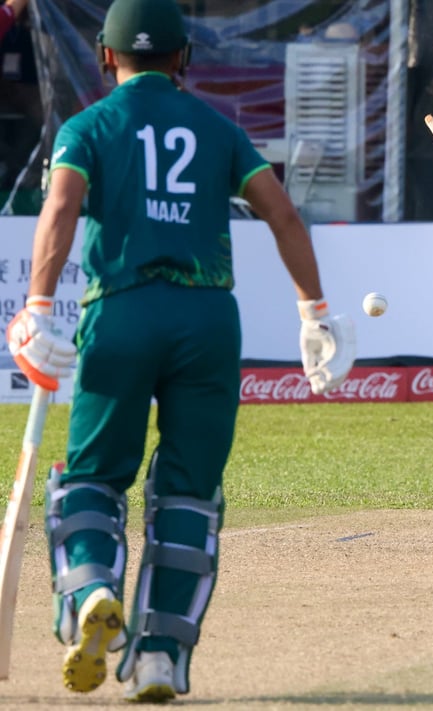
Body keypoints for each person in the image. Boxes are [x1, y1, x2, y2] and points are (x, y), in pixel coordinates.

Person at [4, 0, 355, 701]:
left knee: (93, 478)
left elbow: (63, 207)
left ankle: (95, 589)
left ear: (106, 57)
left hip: (123, 310)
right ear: (184, 58)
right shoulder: (219, 129)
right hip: (207, 319)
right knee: (190, 490)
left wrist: (37, 304)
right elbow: (281, 212)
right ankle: (161, 656)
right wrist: (315, 310)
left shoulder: (87, 126)